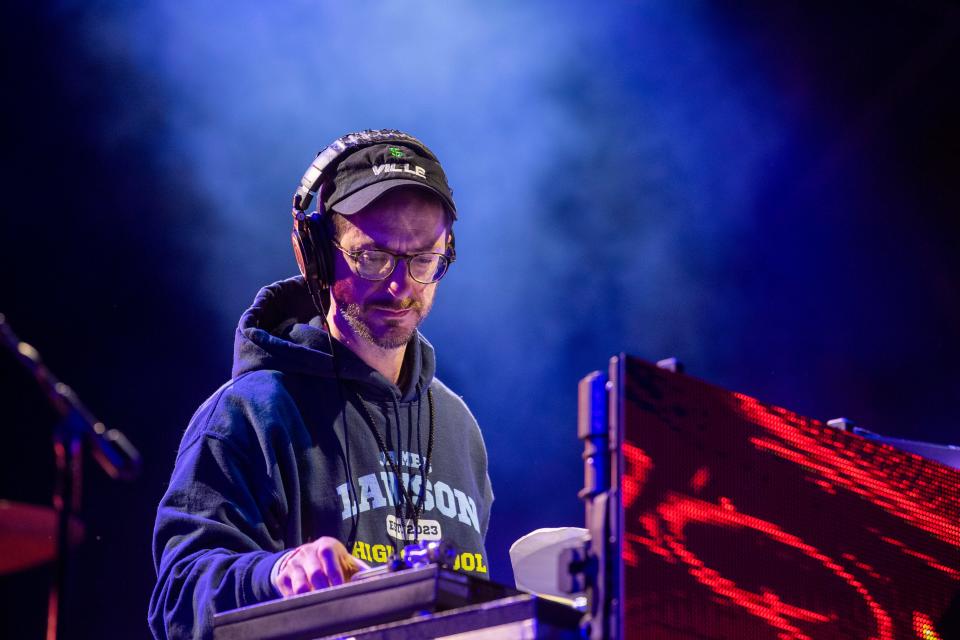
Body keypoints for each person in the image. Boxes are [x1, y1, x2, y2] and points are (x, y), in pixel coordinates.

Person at [148, 131, 494, 640]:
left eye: (423, 259)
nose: (401, 286)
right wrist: (276, 573)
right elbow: (177, 598)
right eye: (372, 256)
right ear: (312, 253)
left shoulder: (458, 428)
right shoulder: (247, 416)